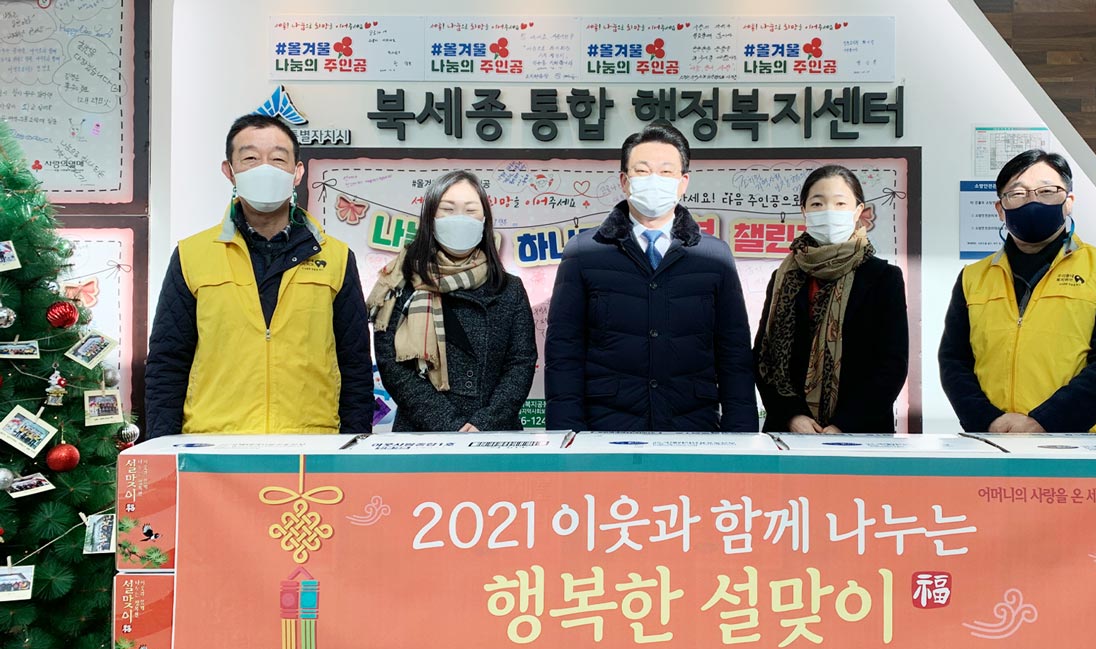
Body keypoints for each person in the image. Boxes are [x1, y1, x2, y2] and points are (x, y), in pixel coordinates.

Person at [145, 114, 373, 436]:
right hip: (213, 445)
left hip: (312, 444)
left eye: (278, 159)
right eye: (250, 158)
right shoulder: (192, 255)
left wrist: (351, 444)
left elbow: (355, 365)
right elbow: (167, 362)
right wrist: (164, 447)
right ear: (230, 171)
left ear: (297, 172)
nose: (265, 168)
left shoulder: (336, 257)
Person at [545, 122, 756, 432]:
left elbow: (734, 353)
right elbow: (564, 350)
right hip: (606, 426)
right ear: (624, 180)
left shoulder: (715, 256)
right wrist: (567, 434)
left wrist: (741, 434)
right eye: (642, 171)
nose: (654, 180)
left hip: (693, 426)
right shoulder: (584, 252)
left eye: (666, 172)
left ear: (683, 182)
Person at [938, 150, 1096, 433]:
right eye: (1017, 193)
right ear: (1000, 209)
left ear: (1068, 202)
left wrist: (1044, 422)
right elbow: (954, 361)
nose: (1032, 201)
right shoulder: (973, 277)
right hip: (994, 439)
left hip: (1080, 443)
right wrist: (988, 421)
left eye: (1047, 191)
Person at [366, 170, 536, 431]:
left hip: (494, 434)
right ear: (430, 219)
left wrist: (484, 422)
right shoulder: (400, 281)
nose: (460, 219)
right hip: (422, 434)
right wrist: (450, 424)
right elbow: (392, 365)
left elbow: (521, 363)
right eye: (448, 209)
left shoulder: (509, 288)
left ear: (484, 220)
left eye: (470, 210)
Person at [754, 165, 908, 434]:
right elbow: (763, 356)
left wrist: (843, 424)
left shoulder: (883, 278)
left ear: (858, 211)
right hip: (790, 431)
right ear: (804, 210)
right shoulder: (783, 277)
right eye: (817, 203)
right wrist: (792, 416)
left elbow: (891, 364)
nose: (828, 211)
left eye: (840, 203)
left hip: (861, 434)